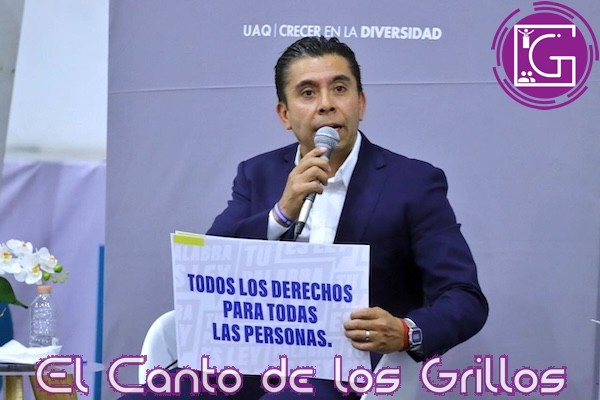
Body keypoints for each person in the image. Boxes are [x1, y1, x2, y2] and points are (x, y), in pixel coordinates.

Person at [204, 36, 488, 399]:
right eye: (308, 93)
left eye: (339, 89)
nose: (326, 104)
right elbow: (209, 266)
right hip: (247, 361)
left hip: (344, 371)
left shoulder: (413, 183)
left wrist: (405, 331)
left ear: (360, 103)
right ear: (284, 114)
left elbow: (464, 297)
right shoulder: (256, 173)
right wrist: (281, 212)